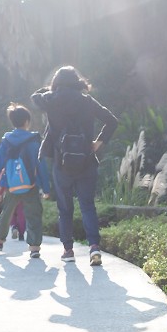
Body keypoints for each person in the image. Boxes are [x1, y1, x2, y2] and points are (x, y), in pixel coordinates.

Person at [31, 65, 118, 265]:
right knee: (87, 205)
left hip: (61, 163)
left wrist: (50, 90)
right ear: (76, 81)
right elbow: (112, 121)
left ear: (57, 83)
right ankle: (94, 248)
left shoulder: (50, 100)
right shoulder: (87, 101)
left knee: (65, 208)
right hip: (86, 161)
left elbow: (34, 96)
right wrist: (98, 142)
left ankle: (68, 250)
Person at [0, 103, 51, 258]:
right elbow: (41, 165)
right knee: (34, 214)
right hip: (30, 185)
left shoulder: (7, 141)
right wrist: (46, 188)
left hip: (11, 184)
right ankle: (34, 247)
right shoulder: (34, 140)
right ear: (27, 121)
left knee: (6, 213)